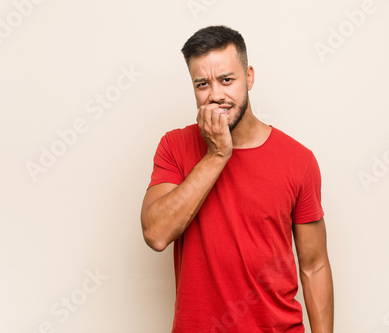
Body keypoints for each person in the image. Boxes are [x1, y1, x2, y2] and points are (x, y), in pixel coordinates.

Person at [141, 25, 334, 333]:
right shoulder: (174, 146)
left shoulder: (298, 160)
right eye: (202, 84)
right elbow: (156, 234)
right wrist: (216, 155)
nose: (216, 95)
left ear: (249, 77)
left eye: (227, 80)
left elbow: (314, 265)